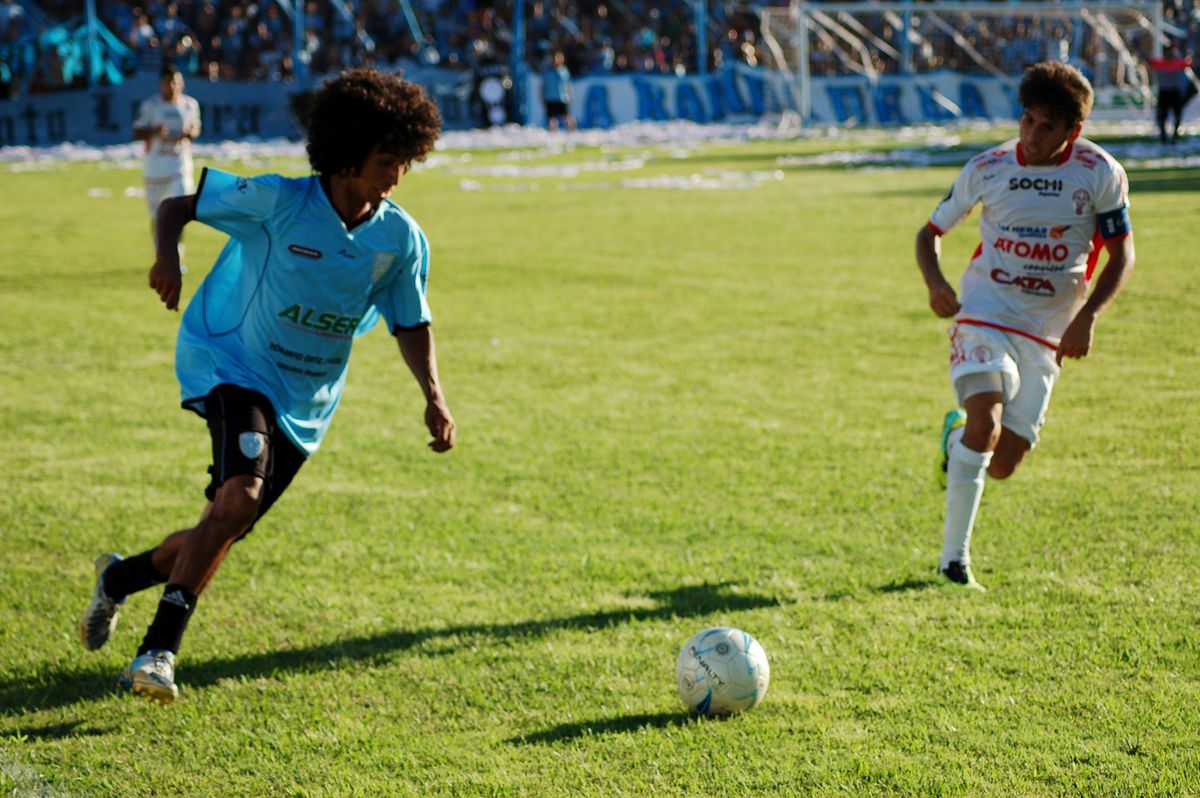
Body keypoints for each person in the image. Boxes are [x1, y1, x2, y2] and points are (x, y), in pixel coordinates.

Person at [79, 69, 456, 703]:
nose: (396, 176)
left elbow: (411, 320)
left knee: (223, 523)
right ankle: (157, 652)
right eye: (386, 160)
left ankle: (118, 579)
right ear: (346, 154)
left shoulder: (400, 239)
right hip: (234, 365)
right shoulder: (281, 202)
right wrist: (167, 256)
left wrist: (434, 394)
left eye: (404, 162)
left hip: (306, 404)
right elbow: (177, 206)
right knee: (240, 497)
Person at [915, 62, 1135, 591]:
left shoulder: (1100, 173)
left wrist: (1087, 318)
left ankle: (954, 441)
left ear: (1072, 131)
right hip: (985, 311)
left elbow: (1122, 254)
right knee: (985, 422)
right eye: (1026, 121)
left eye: (1046, 126)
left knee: (1003, 464)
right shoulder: (989, 167)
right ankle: (952, 563)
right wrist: (936, 284)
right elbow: (929, 233)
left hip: (1047, 330)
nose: (1031, 135)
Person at [133, 64, 201, 265]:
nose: (172, 86)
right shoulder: (151, 105)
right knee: (158, 216)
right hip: (155, 168)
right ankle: (161, 255)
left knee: (181, 212)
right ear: (161, 84)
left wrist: (190, 134)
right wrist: (155, 131)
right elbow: (137, 131)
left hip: (180, 166)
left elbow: (196, 128)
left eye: (176, 81)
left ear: (182, 83)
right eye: (168, 82)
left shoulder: (190, 105)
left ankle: (177, 256)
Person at [1148, 45, 1196, 145]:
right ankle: (1163, 136)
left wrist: (1189, 53)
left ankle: (1175, 136)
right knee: (1162, 117)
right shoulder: (1159, 63)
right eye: (1167, 53)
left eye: (1171, 52)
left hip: (1175, 92)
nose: (1169, 55)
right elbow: (1147, 59)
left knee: (1177, 116)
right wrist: (1138, 47)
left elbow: (1191, 62)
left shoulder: (1178, 63)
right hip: (1164, 93)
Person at [542, 50, 576, 132]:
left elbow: (568, 85)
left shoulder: (564, 71)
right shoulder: (548, 71)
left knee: (566, 116)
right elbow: (543, 86)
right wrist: (542, 97)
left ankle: (572, 131)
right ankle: (552, 132)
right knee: (551, 118)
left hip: (562, 97)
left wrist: (570, 96)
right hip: (550, 97)